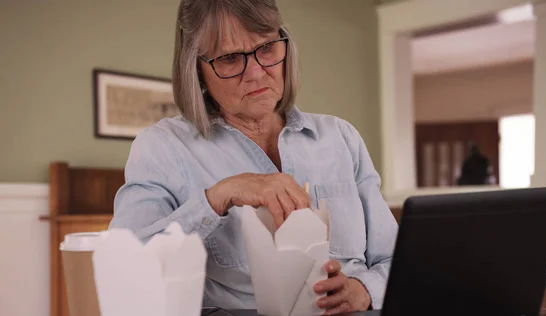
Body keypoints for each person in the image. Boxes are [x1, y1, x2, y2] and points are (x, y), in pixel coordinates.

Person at [109, 0, 398, 314]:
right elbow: (125, 267)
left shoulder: (341, 137)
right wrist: (219, 196)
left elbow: (394, 258)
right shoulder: (163, 147)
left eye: (267, 49)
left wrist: (365, 289)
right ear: (196, 69)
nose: (257, 73)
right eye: (231, 58)